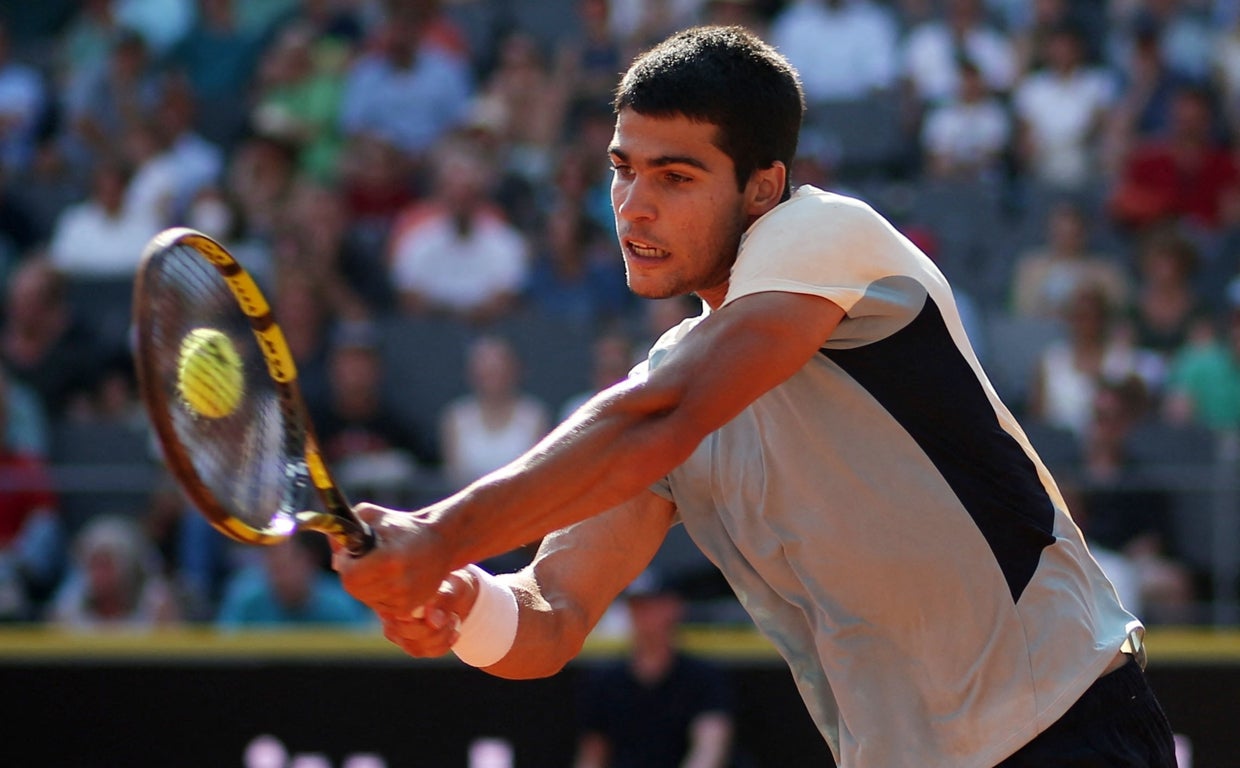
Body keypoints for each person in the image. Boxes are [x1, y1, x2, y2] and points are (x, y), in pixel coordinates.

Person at [335, 26, 1176, 767]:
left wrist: (438, 535)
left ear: (764, 188)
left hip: (1066, 729)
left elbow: (656, 420)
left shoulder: (828, 233)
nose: (634, 207)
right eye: (623, 170)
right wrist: (461, 603)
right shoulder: (669, 382)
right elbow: (551, 618)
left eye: (676, 177)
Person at [574, 568, 734, 768]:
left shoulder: (702, 677)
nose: (643, 614)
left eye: (651, 605)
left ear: (674, 606)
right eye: (636, 605)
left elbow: (709, 749)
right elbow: (592, 755)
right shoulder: (605, 681)